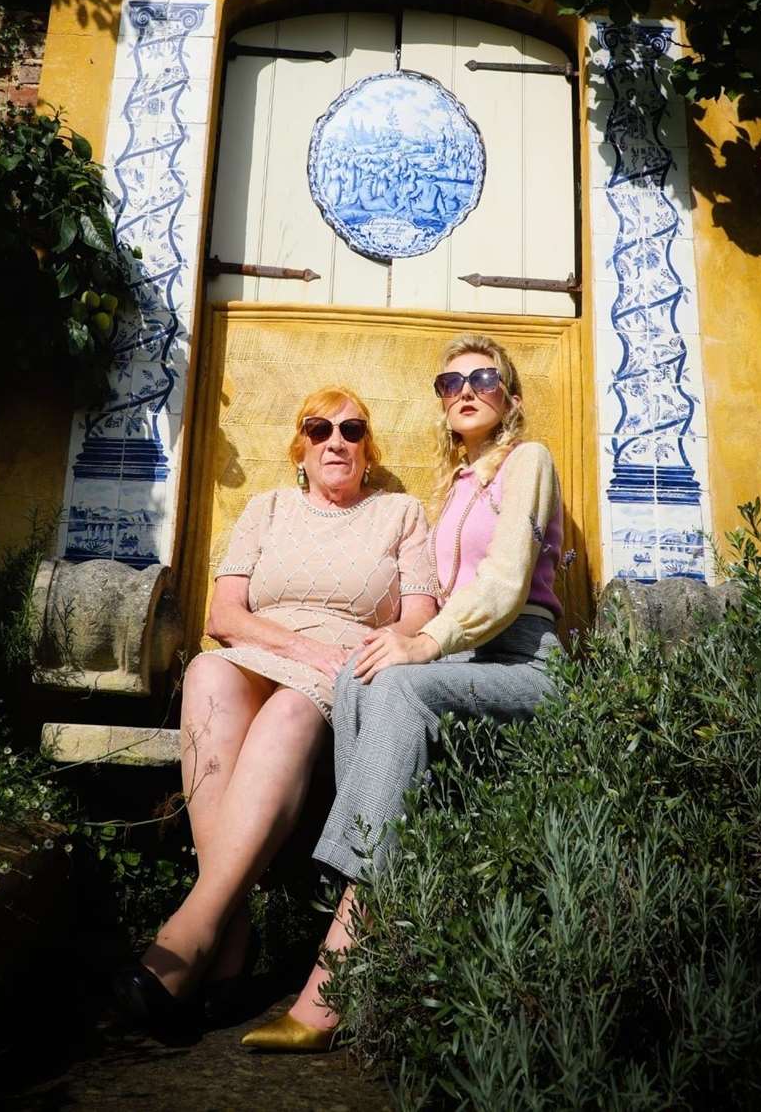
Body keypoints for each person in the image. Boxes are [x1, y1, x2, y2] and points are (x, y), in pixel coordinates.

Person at [242, 333, 564, 1052]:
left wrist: (423, 645)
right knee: (364, 681)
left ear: (509, 396)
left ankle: (340, 959)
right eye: (450, 384)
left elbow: (506, 583)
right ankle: (377, 906)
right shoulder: (452, 490)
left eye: (484, 378)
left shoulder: (528, 462)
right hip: (467, 662)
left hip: (526, 662)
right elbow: (425, 597)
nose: (467, 390)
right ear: (443, 404)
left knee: (399, 692)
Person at [113, 385, 437, 1038]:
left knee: (290, 714)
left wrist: (344, 660)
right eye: (320, 429)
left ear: (368, 450)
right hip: (267, 652)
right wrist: (298, 646)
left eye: (351, 430)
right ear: (302, 448)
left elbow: (417, 622)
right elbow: (222, 616)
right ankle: (230, 938)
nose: (336, 441)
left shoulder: (401, 513)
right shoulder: (266, 509)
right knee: (206, 667)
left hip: (339, 670)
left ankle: (194, 933)